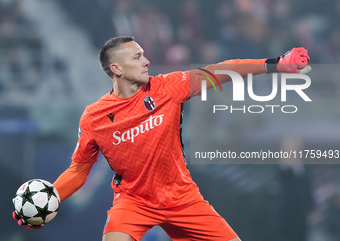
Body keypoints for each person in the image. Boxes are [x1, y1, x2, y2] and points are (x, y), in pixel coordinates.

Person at [13, 36, 310, 241]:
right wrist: (49, 199)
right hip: (134, 202)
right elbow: (79, 170)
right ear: (116, 69)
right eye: (137, 56)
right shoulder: (94, 117)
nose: (147, 60)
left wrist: (274, 64)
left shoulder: (168, 87)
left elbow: (221, 71)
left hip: (182, 198)